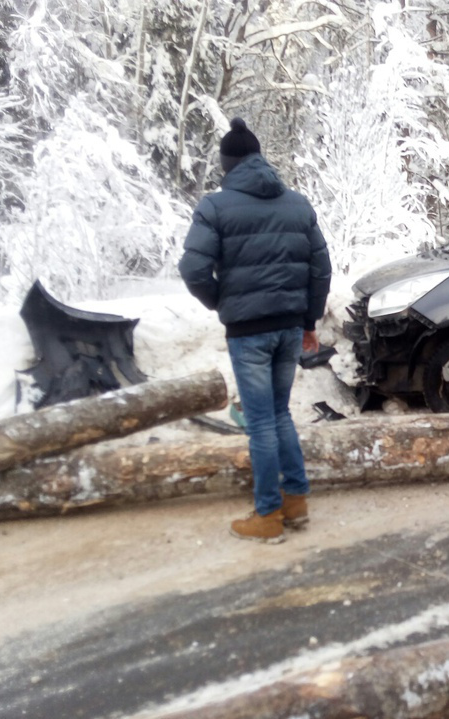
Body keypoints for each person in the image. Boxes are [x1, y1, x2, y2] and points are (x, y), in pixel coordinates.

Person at [178, 118, 332, 543]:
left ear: (227, 166)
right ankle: (296, 499)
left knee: (260, 421)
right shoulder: (298, 204)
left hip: (248, 332)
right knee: (279, 413)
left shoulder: (215, 206)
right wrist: (308, 321)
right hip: (287, 328)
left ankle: (268, 515)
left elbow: (192, 268)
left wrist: (220, 301)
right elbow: (321, 269)